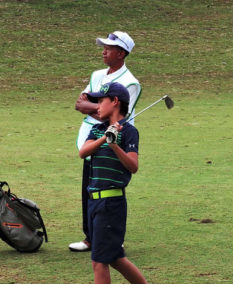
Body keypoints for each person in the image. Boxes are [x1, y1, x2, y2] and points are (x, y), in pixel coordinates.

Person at [71, 31, 141, 251]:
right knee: (89, 187)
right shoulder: (97, 75)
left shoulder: (131, 82)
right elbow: (80, 103)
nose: (103, 51)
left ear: (121, 53)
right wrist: (100, 108)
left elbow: (120, 112)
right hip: (92, 137)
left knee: (111, 185)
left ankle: (111, 233)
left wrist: (94, 107)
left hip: (116, 138)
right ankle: (90, 237)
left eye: (109, 48)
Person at [79, 82, 147, 284]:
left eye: (101, 101)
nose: (97, 106)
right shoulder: (98, 129)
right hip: (94, 202)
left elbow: (133, 166)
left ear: (115, 102)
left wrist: (114, 145)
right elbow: (83, 152)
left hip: (111, 203)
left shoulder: (128, 132)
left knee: (99, 262)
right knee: (116, 259)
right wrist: (104, 138)